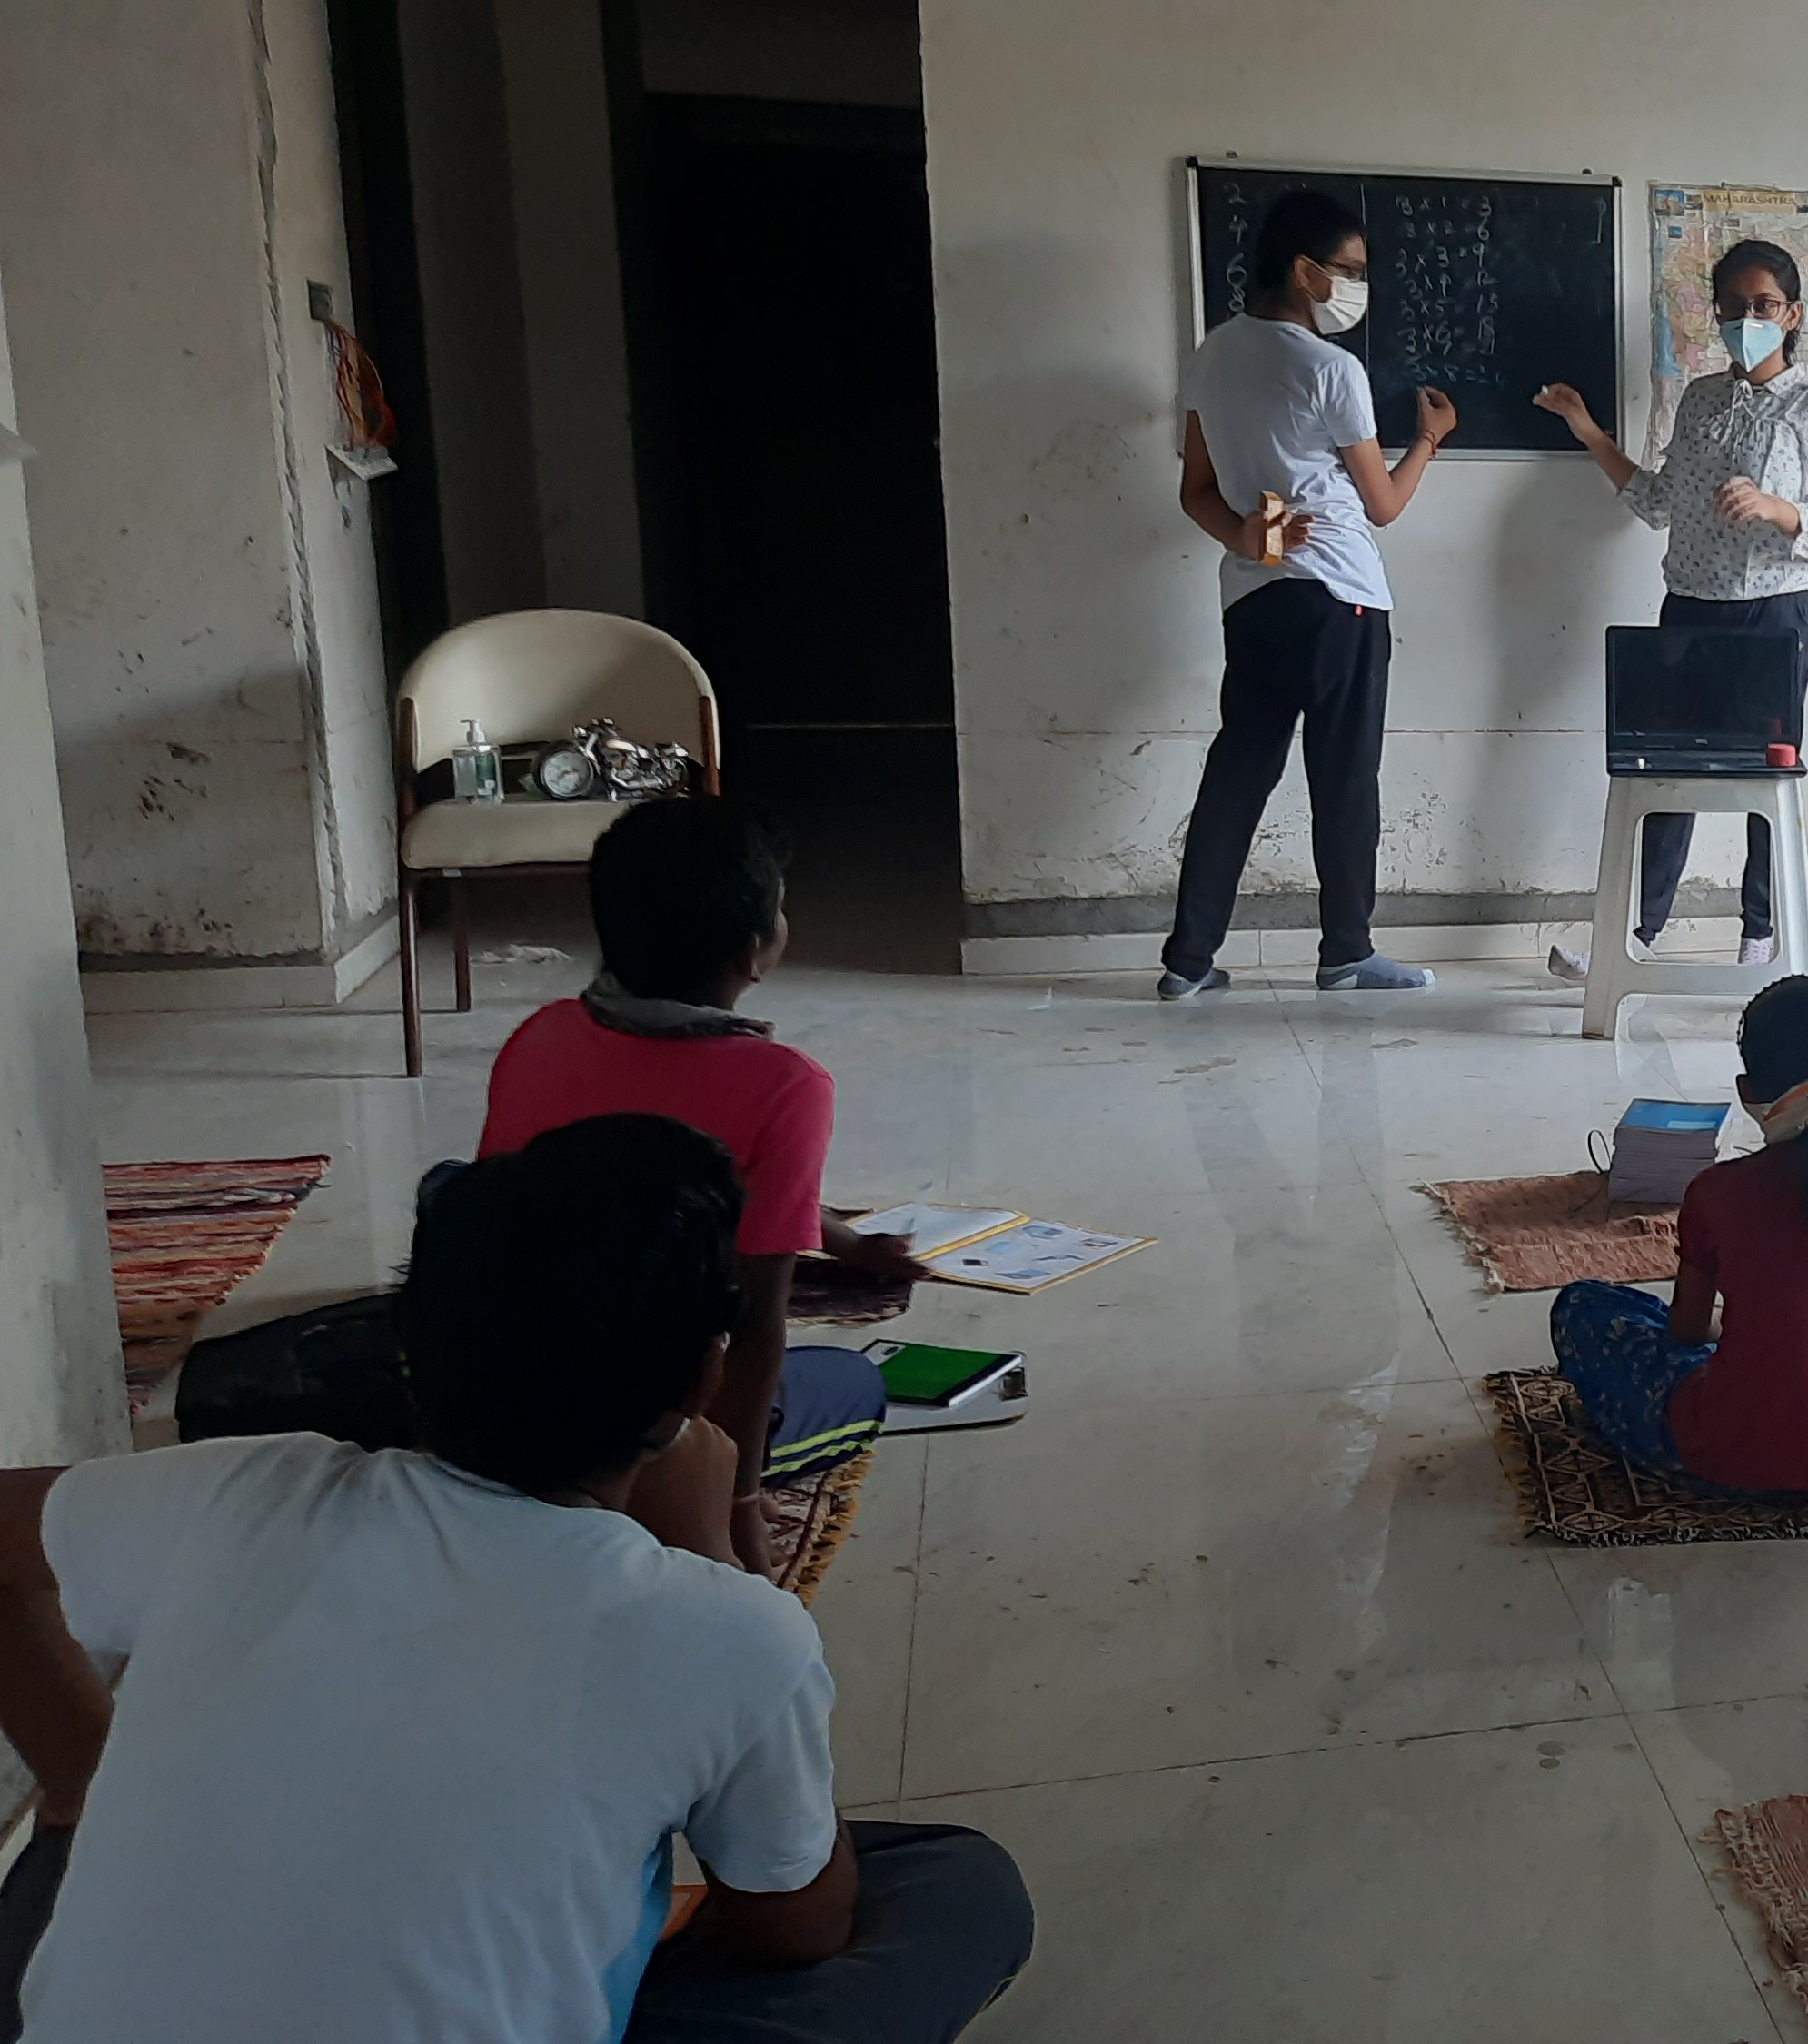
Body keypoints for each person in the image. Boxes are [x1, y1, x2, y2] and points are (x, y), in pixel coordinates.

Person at [0, 1116, 1035, 2039]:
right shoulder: (724, 1627)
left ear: (408, 1353)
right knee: (950, 1884)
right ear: (700, 1382)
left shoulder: (244, 1492)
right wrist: (712, 1561)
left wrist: (87, 1783)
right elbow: (794, 1930)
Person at [480, 796, 910, 1574]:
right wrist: (736, 1502)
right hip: (643, 1421)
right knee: (852, 1384)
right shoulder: (786, 1085)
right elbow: (756, 1322)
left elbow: (646, 1159)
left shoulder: (539, 1035)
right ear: (754, 952)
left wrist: (844, 1242)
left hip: (510, 1388)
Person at [1163, 187, 1456, 998]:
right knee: (1344, 777)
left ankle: (1187, 962)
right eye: (1348, 270)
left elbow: (1196, 493)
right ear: (1304, 270)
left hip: (1254, 597)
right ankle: (1346, 952)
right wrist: (1428, 440)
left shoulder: (1210, 357)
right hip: (1340, 596)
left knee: (1238, 771)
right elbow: (1382, 505)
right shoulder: (1330, 368)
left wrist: (1250, 541)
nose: (1357, 286)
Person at [1535, 238, 1808, 979]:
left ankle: (1759, 937)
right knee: (1664, 776)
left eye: (1764, 305)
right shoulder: (1702, 399)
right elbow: (1658, 502)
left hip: (1774, 617)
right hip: (1688, 613)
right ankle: (1638, 932)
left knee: (1766, 784)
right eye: (1734, 305)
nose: (1748, 318)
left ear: (1792, 314)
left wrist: (1777, 508)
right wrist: (1588, 432)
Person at [1549, 977, 1808, 1494]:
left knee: (1586, 1307)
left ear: (1746, 1090)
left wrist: (1747, 1330)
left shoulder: (1717, 1191)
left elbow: (1687, 1330)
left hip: (1732, 1456)